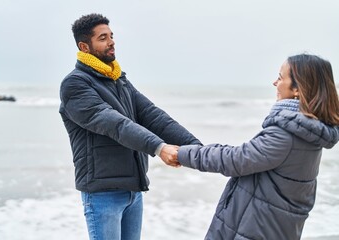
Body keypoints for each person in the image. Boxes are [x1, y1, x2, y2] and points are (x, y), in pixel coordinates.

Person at [59, 13, 201, 240]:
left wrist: (199, 149)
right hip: (103, 195)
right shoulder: (75, 84)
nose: (112, 41)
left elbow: (154, 116)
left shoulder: (119, 80)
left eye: (111, 36)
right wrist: (159, 148)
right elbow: (114, 124)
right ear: (84, 46)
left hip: (133, 191)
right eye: (103, 38)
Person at [170, 54, 339, 239]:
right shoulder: (310, 132)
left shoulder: (287, 135)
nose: (275, 83)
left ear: (298, 88)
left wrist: (181, 154)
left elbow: (235, 160)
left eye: (281, 78)